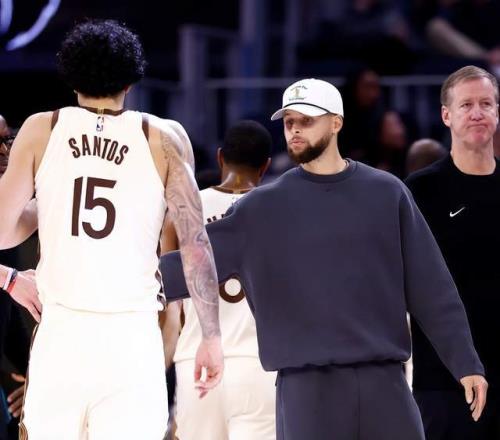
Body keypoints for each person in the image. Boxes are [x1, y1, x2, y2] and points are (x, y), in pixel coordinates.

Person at [160, 78, 488, 440]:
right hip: (307, 389)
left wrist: (465, 362)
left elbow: (432, 287)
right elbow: (193, 262)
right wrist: (128, 274)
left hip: (385, 382)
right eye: (289, 122)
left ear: (336, 123)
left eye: (306, 121)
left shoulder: (387, 193)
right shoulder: (261, 208)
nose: (295, 130)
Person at [0, 19, 223, 440]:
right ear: (131, 81)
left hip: (61, 333)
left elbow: (2, 232)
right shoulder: (165, 138)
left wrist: (43, 207)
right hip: (131, 337)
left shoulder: (41, 129)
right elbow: (195, 247)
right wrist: (210, 336)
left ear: (71, 77)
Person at [163, 120, 275, 440]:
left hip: (196, 362)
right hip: (259, 365)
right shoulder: (279, 212)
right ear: (266, 166)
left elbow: (167, 302)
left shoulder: (183, 210)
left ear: (220, 157)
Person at [405, 65, 500, 439]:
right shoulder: (420, 191)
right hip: (442, 380)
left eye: (486, 104)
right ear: (446, 115)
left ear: (497, 112)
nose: (477, 113)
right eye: (466, 105)